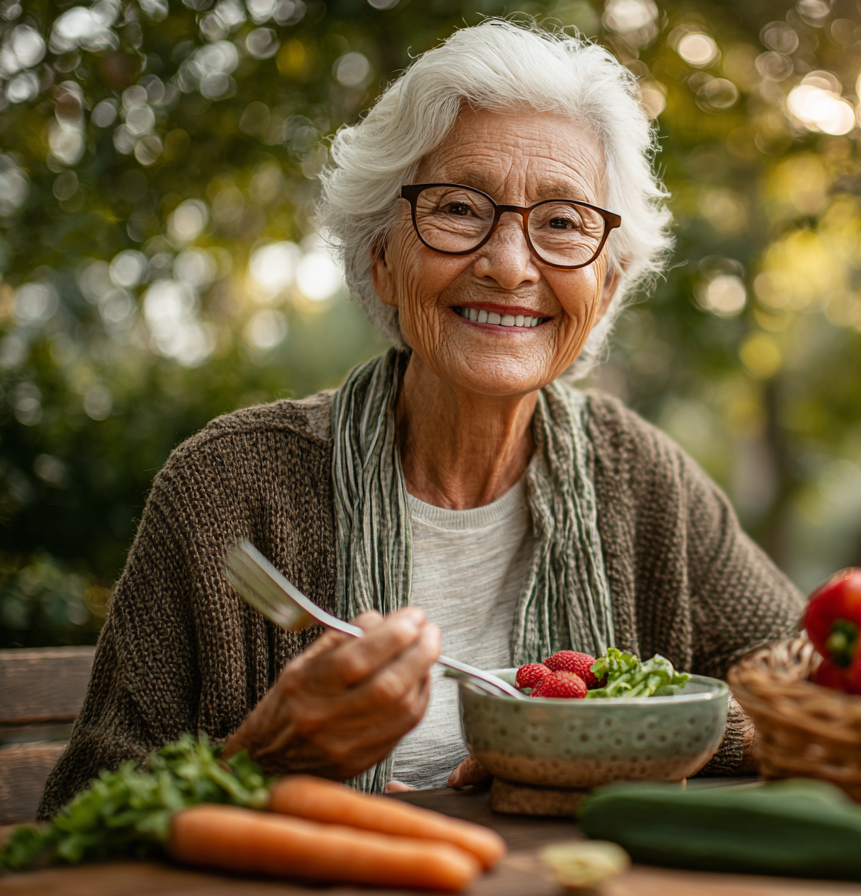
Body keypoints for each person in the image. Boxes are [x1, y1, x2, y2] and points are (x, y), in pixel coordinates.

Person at [39, 20, 802, 817]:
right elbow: (78, 819)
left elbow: (817, 694)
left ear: (605, 287)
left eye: (564, 223)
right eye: (460, 208)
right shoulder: (226, 492)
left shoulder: (646, 483)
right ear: (382, 258)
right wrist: (259, 761)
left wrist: (626, 738)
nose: (509, 264)